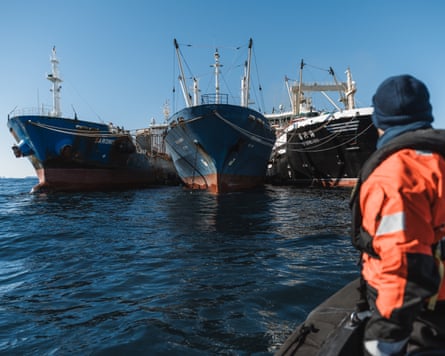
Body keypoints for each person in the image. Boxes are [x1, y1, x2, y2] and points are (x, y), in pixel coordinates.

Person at [350, 74, 445, 355]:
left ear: (379, 122)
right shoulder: (437, 162)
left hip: (422, 318)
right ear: (427, 113)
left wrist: (383, 342)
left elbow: (406, 269)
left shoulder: (397, 176)